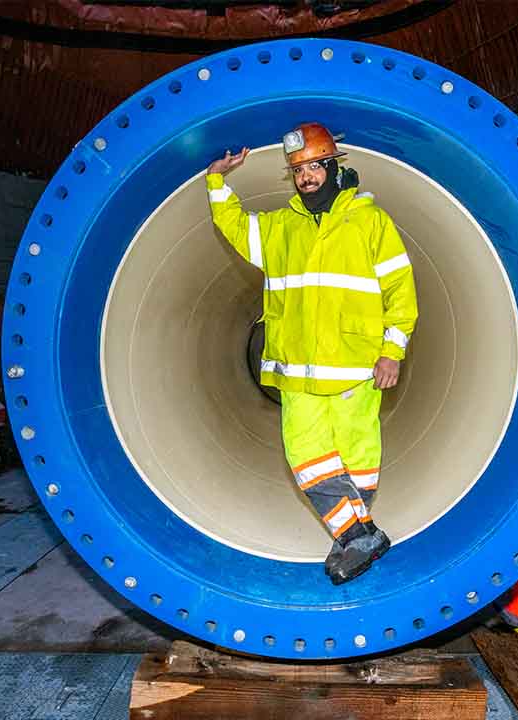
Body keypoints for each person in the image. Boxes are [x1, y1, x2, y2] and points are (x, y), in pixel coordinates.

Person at [203, 122, 419, 584]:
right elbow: (237, 227)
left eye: (313, 166)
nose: (305, 177)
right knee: (304, 454)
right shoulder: (282, 228)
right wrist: (217, 182)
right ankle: (360, 535)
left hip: (356, 368)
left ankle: (355, 536)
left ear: (332, 166)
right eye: (297, 170)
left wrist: (392, 352)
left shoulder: (368, 222)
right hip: (297, 371)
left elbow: (400, 289)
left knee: (357, 454)